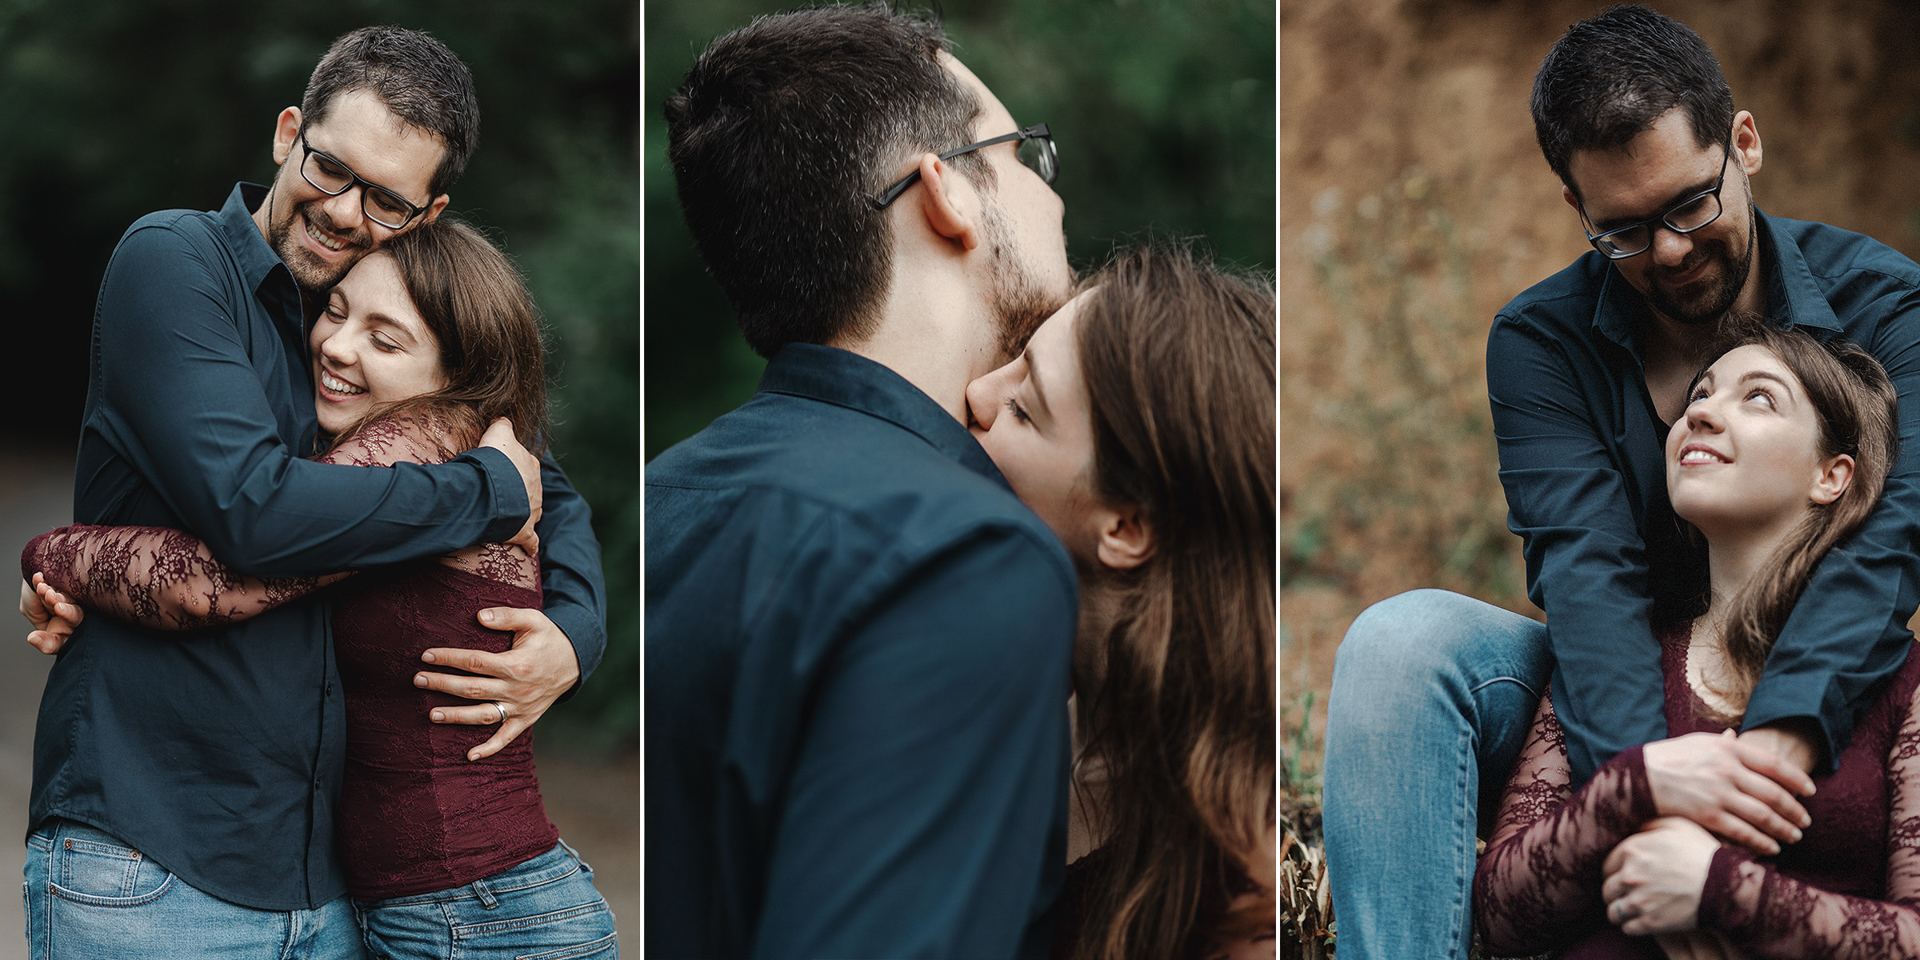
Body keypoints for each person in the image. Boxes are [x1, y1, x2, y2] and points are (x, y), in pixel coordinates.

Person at [1322, 6, 1920, 957]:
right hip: (1617, 685)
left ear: (1746, 145)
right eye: (1626, 232)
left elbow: (1892, 538)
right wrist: (1652, 799)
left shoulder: (1885, 305)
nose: (1672, 251)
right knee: (1403, 644)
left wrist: (1773, 742)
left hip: (1821, 668)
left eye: (1690, 205)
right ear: (1577, 210)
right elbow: (1588, 580)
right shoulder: (1542, 342)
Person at [15, 27, 605, 958]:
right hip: (153, 862)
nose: (344, 211)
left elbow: (545, 485)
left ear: (429, 211)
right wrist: (483, 493)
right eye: (332, 168)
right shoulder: (178, 263)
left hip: (327, 891)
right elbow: (257, 513)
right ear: (288, 133)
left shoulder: (359, 316)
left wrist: (575, 633)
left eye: (386, 199)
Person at [646, 5, 1076, 958]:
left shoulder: (659, 499)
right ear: (946, 194)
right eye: (1023, 156)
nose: (1052, 201)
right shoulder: (963, 561)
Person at [1474, 323, 1920, 957]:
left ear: (1832, 475)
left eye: (1759, 397)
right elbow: (1498, 917)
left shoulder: (1904, 684)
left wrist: (1720, 888)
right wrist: (1632, 790)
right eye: (1699, 395)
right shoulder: (1615, 656)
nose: (1702, 412)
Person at [964, 245, 1277, 960]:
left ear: (1128, 526)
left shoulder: (1240, 881)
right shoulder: (996, 717)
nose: (978, 394)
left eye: (1022, 407)